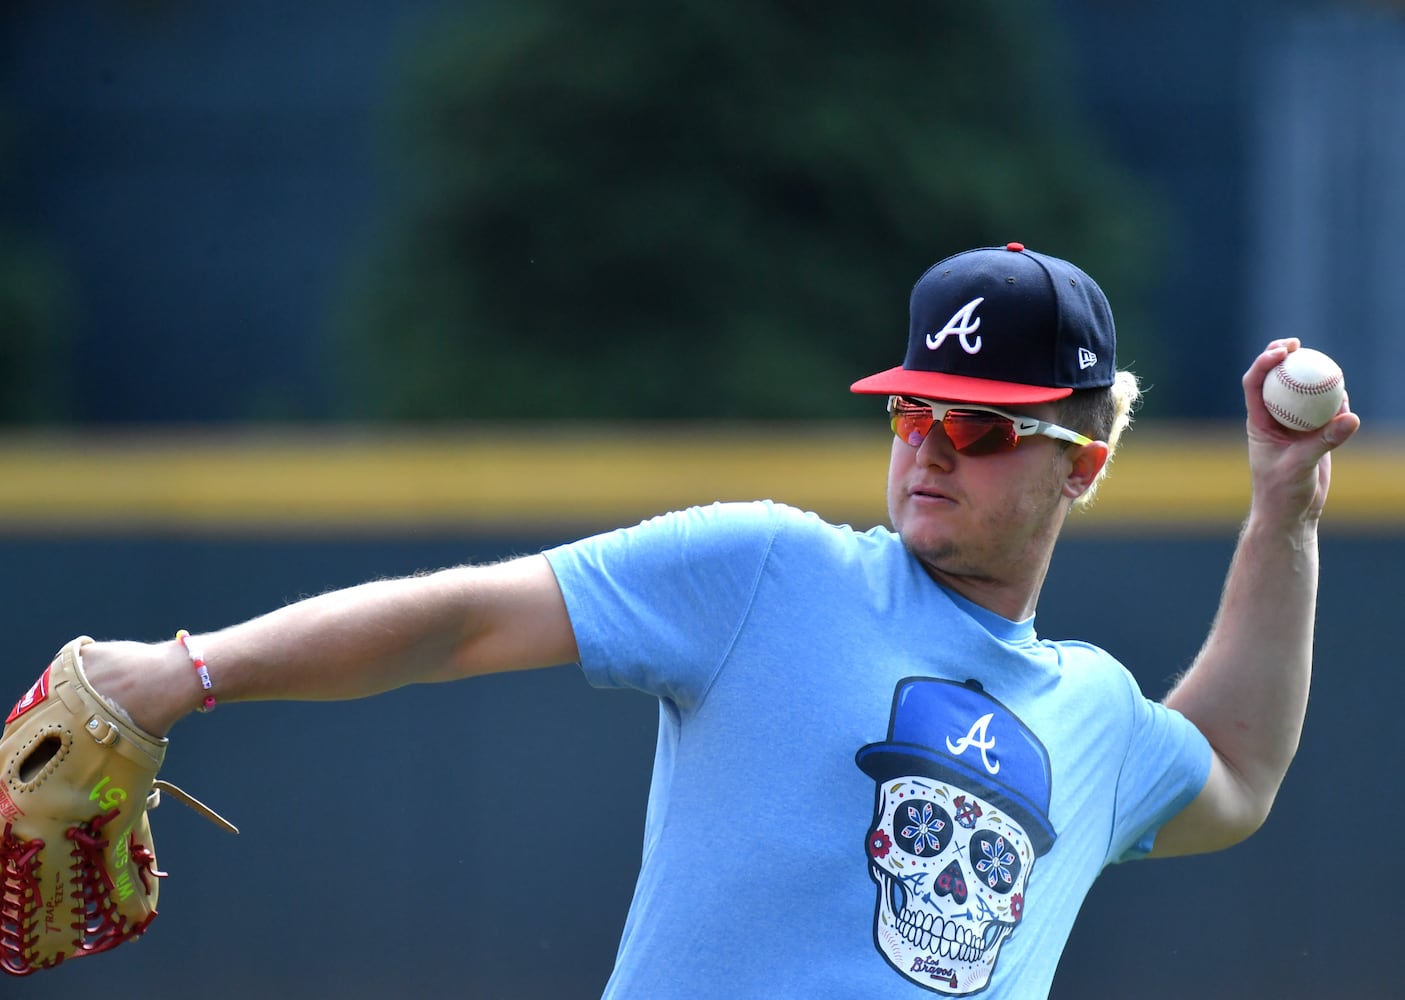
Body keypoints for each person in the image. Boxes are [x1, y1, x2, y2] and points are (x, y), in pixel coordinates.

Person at [66, 242, 1358, 997]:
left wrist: (1284, 502)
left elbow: (1239, 768)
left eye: (977, 426)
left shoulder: (1090, 715)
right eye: (911, 411)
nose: (928, 449)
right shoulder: (766, 572)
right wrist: (187, 669)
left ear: (1080, 461)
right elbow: (456, 621)